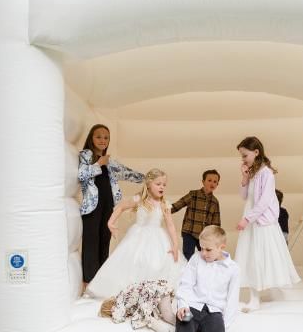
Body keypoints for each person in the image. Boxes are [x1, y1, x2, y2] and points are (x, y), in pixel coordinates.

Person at [86, 168, 183, 299]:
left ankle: (154, 295)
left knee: (157, 263)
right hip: (138, 236)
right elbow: (120, 207)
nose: (162, 187)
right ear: (149, 184)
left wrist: (175, 245)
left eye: (164, 185)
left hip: (158, 238)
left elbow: (170, 225)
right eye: (158, 184)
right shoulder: (139, 199)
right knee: (134, 262)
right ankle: (133, 294)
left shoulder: (164, 203)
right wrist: (111, 222)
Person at [235, 137, 300, 311]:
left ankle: (260, 296)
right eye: (241, 156)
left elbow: (264, 202)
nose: (243, 159)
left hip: (260, 221)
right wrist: (244, 177)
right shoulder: (253, 173)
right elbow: (244, 196)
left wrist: (247, 219)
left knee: (260, 257)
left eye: (245, 155)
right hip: (251, 217)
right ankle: (254, 296)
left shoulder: (267, 174)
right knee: (251, 256)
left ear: (256, 152)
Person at [78, 124, 144, 290]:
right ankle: (88, 284)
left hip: (108, 205)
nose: (102, 140)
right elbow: (81, 175)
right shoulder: (86, 155)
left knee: (104, 242)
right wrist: (98, 164)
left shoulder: (109, 160)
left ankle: (100, 282)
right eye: (98, 137)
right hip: (92, 206)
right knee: (91, 244)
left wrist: (148, 178)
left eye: (106, 137)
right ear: (91, 138)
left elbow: (127, 173)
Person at [99, 279, 177, 332]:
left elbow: (118, 318)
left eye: (110, 315)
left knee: (143, 316)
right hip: (154, 291)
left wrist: (113, 312)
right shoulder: (123, 299)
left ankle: (164, 330)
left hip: (155, 290)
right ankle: (175, 325)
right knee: (158, 314)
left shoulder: (119, 301)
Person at [171, 170, 222, 261]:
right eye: (209, 180)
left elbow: (216, 223)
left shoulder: (215, 202)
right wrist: (165, 210)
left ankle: (203, 273)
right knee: (188, 255)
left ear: (217, 184)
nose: (212, 183)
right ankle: (188, 273)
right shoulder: (193, 195)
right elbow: (178, 205)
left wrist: (216, 237)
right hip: (189, 232)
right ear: (203, 181)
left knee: (206, 256)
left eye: (215, 182)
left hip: (204, 235)